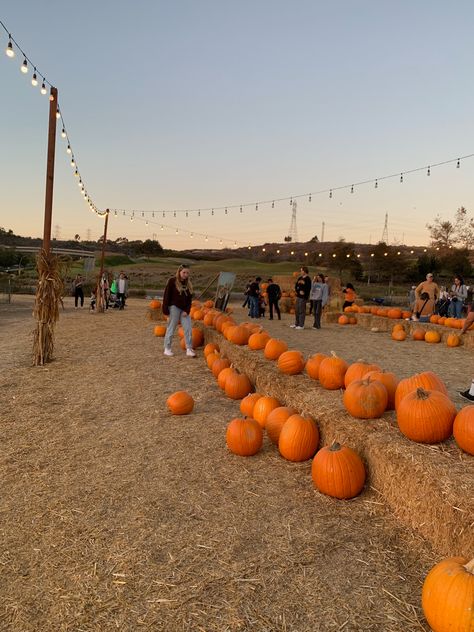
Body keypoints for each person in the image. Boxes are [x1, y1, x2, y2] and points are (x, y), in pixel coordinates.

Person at [162, 264, 196, 357]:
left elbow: (189, 300)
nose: (185, 274)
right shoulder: (172, 281)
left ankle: (189, 349)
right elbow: (166, 296)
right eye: (184, 272)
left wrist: (187, 310)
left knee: (188, 328)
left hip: (184, 309)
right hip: (174, 307)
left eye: (187, 273)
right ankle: (167, 348)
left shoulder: (188, 284)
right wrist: (166, 310)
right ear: (179, 272)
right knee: (171, 327)